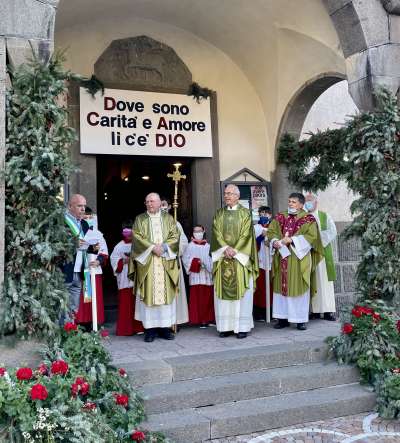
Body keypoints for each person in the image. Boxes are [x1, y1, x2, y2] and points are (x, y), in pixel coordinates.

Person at [267, 193, 324, 330]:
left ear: (301, 204)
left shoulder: (308, 219)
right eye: (289, 201)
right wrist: (275, 241)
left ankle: (300, 319)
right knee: (280, 287)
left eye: (293, 202)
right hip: (282, 257)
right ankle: (282, 319)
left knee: (298, 287)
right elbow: (271, 232)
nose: (290, 204)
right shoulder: (280, 217)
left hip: (299, 259)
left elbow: (312, 237)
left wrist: (292, 240)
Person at [128, 193, 180, 342]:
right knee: (149, 294)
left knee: (165, 295)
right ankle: (150, 330)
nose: (150, 204)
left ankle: (165, 328)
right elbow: (137, 237)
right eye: (147, 201)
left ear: (159, 203)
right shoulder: (140, 219)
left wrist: (163, 247)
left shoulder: (168, 219)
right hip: (149, 263)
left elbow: (175, 236)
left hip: (164, 262)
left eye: (153, 201)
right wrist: (152, 247)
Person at [211, 184, 259, 339]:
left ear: (238, 196)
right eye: (225, 193)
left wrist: (235, 250)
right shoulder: (219, 213)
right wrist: (225, 248)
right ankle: (225, 327)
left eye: (230, 193)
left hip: (240, 260)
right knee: (223, 295)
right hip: (223, 258)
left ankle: (242, 327)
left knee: (242, 294)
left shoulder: (245, 213)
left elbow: (246, 234)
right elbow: (216, 232)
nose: (227, 196)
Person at [304, 193, 337, 321]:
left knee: (325, 282)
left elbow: (332, 231)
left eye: (310, 200)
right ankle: (315, 311)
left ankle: (328, 311)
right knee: (313, 280)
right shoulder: (304, 217)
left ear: (316, 202)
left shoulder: (325, 216)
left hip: (323, 253)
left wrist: (317, 241)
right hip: (309, 253)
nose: (308, 203)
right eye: (306, 201)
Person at [75, 207, 107, 327]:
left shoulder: (98, 234)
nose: (87, 220)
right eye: (85, 218)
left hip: (94, 270)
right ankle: (80, 323)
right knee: (80, 299)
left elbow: (104, 251)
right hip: (80, 269)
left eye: (90, 217)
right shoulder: (75, 233)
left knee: (94, 298)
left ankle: (94, 323)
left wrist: (99, 260)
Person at [110, 222, 144, 336]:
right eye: (126, 231)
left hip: (137, 276)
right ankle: (126, 329)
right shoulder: (118, 246)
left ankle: (139, 328)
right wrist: (123, 261)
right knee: (126, 304)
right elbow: (114, 260)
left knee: (138, 304)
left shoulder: (139, 244)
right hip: (125, 277)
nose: (129, 234)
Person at [160, 198, 189, 326]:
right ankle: (160, 323)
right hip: (157, 262)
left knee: (173, 292)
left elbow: (183, 241)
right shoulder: (150, 223)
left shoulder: (175, 223)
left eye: (164, 205)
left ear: (170, 206)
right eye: (160, 205)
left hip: (172, 261)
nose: (162, 207)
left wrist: (173, 249)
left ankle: (174, 321)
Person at [182, 225, 214, 328]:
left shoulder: (208, 246)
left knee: (207, 299)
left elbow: (213, 259)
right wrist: (197, 263)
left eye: (199, 231)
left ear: (203, 231)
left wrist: (207, 264)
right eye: (195, 231)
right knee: (197, 300)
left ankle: (207, 319)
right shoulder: (189, 246)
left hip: (206, 276)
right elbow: (185, 260)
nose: (198, 233)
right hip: (196, 276)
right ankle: (197, 320)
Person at [253, 206, 272, 322]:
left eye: (266, 213)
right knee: (260, 287)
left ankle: (270, 311)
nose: (264, 215)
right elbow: (251, 244)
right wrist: (261, 237)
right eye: (261, 213)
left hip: (270, 260)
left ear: (270, 215)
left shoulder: (274, 227)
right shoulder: (255, 228)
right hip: (260, 261)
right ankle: (259, 313)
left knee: (270, 287)